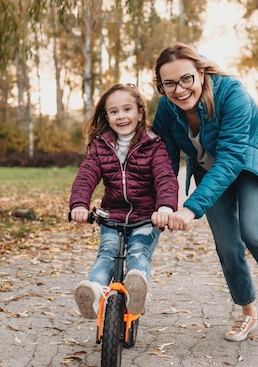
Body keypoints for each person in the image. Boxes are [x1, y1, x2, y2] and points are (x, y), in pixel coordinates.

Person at [152, 42, 258, 341]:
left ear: (201, 73)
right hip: (208, 167)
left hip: (248, 160)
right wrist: (164, 204)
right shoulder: (166, 108)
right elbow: (164, 163)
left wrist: (190, 208)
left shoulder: (232, 93)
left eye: (186, 79)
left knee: (254, 232)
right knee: (228, 244)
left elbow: (230, 159)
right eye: (169, 84)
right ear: (161, 86)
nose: (179, 89)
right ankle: (248, 313)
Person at [69, 83, 178, 318]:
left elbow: (165, 178)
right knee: (106, 253)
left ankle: (136, 292)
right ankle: (95, 292)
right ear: (107, 117)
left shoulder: (154, 144)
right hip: (112, 215)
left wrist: (165, 208)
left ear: (140, 113)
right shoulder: (101, 146)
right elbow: (86, 176)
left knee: (138, 251)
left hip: (146, 216)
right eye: (114, 111)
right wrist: (79, 205)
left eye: (127, 109)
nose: (121, 116)